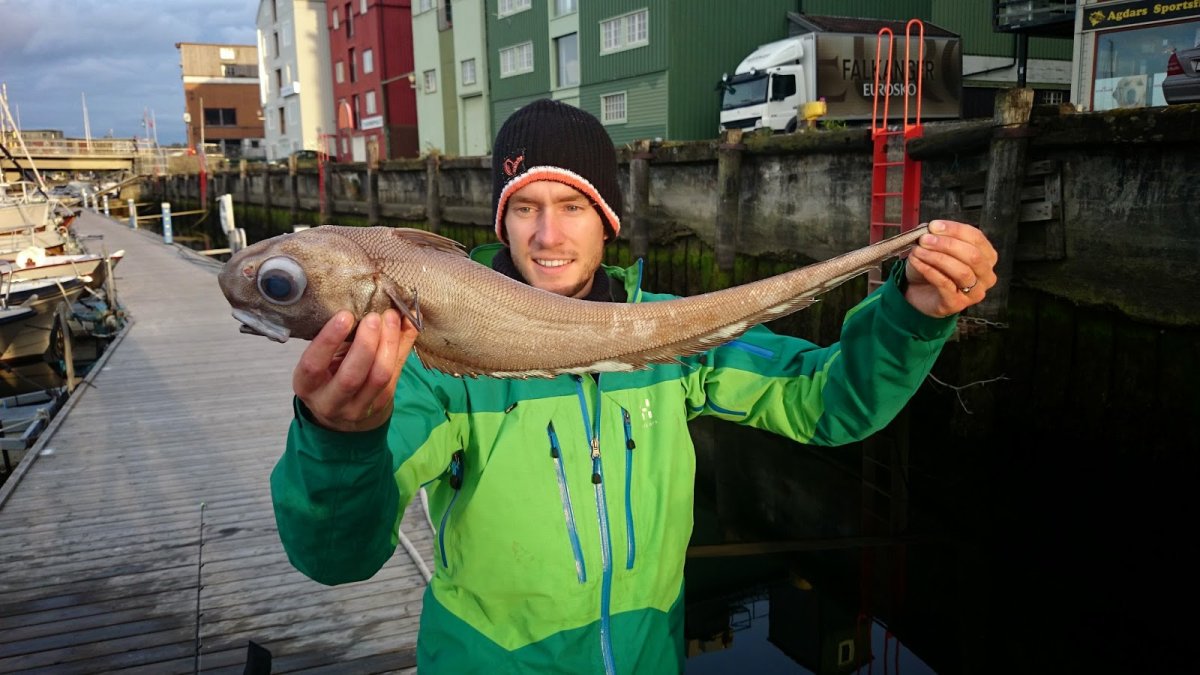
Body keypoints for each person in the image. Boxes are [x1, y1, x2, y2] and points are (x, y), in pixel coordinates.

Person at [271, 99, 998, 673]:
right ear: (501, 218)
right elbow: (338, 557)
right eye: (525, 207)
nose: (547, 235)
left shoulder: (668, 337)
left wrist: (910, 316)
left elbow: (829, 403)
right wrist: (339, 441)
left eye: (573, 206)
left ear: (608, 218)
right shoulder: (434, 361)